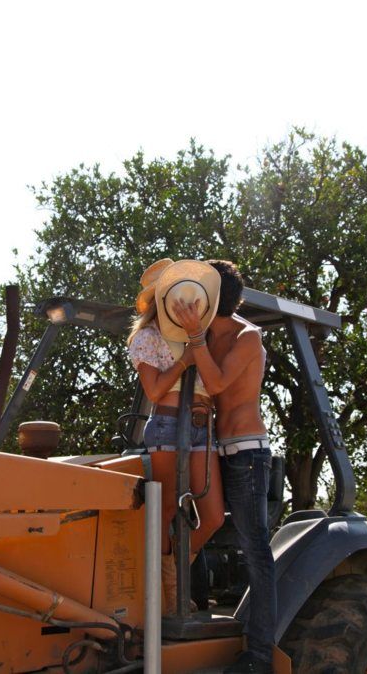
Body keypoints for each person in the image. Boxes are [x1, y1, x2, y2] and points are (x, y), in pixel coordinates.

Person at [171, 259, 276, 674]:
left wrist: (196, 336)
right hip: (214, 450)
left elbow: (215, 384)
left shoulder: (248, 337)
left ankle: (261, 656)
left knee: (255, 551)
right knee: (189, 521)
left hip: (247, 454)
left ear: (212, 298)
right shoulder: (205, 337)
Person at [127, 258, 225, 616]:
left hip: (203, 426)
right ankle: (165, 597)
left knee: (214, 516)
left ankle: (172, 571)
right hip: (168, 423)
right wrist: (184, 362)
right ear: (160, 299)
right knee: (165, 511)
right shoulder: (147, 337)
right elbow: (153, 391)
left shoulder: (202, 334)